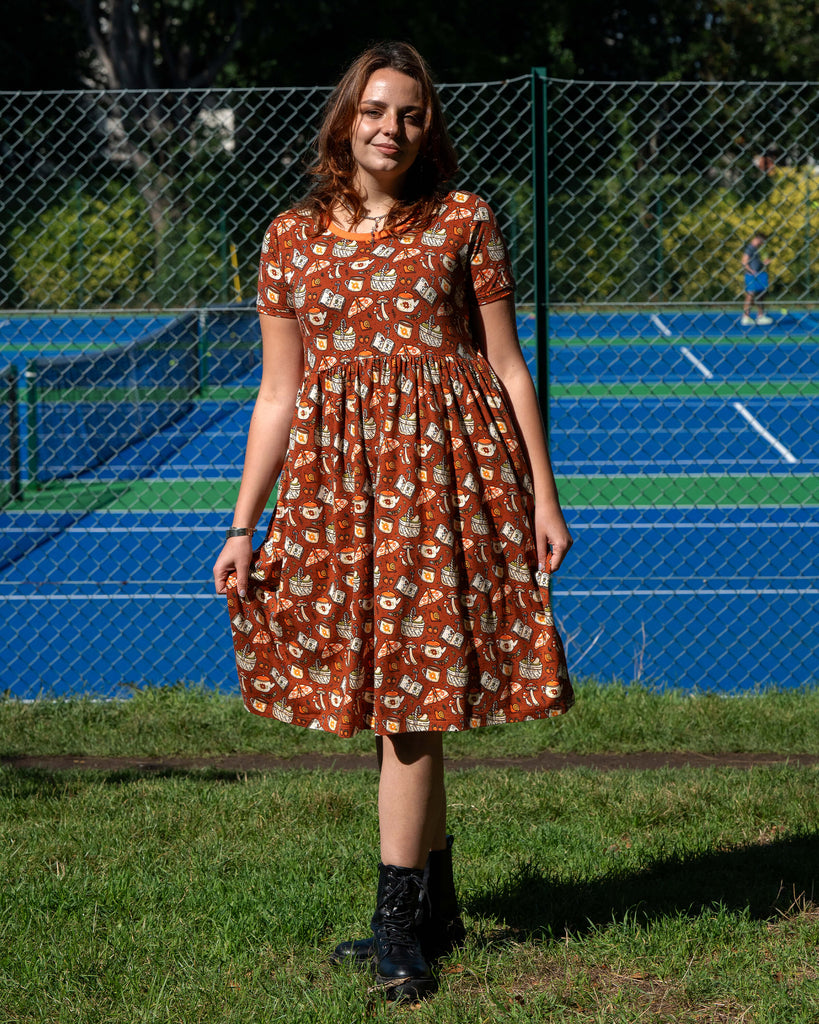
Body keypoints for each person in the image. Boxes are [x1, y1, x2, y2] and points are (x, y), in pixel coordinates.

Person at [212, 40, 574, 1002]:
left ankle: (395, 928)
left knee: (412, 706)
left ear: (428, 127)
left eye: (411, 113)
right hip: (338, 496)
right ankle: (435, 910)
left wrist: (543, 496)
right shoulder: (289, 237)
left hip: (444, 486)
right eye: (375, 110)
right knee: (398, 704)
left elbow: (505, 367)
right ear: (345, 118)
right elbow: (277, 393)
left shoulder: (463, 218)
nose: (391, 128)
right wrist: (243, 525)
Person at [741, 231, 772, 326]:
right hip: (752, 275)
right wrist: (751, 271)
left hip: (759, 274)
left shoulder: (756, 249)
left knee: (760, 294)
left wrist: (764, 263)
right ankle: (746, 317)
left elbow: (756, 262)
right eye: (762, 241)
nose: (763, 244)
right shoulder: (750, 248)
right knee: (750, 294)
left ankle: (760, 316)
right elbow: (744, 261)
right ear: (758, 239)